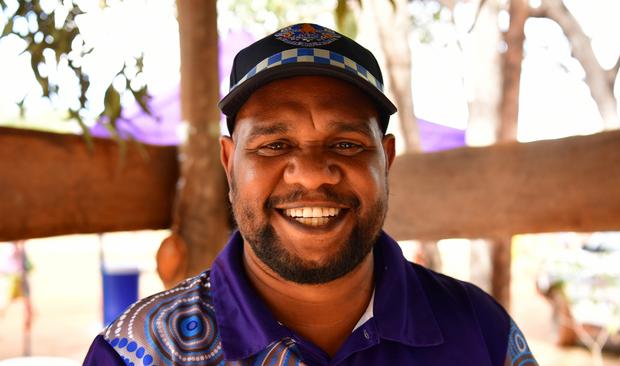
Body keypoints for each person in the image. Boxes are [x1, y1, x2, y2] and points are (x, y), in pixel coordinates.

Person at [83, 23, 537, 366]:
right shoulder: (139, 353)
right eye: (274, 145)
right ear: (229, 162)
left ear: (386, 159)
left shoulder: (481, 333)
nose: (313, 175)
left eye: (346, 144)